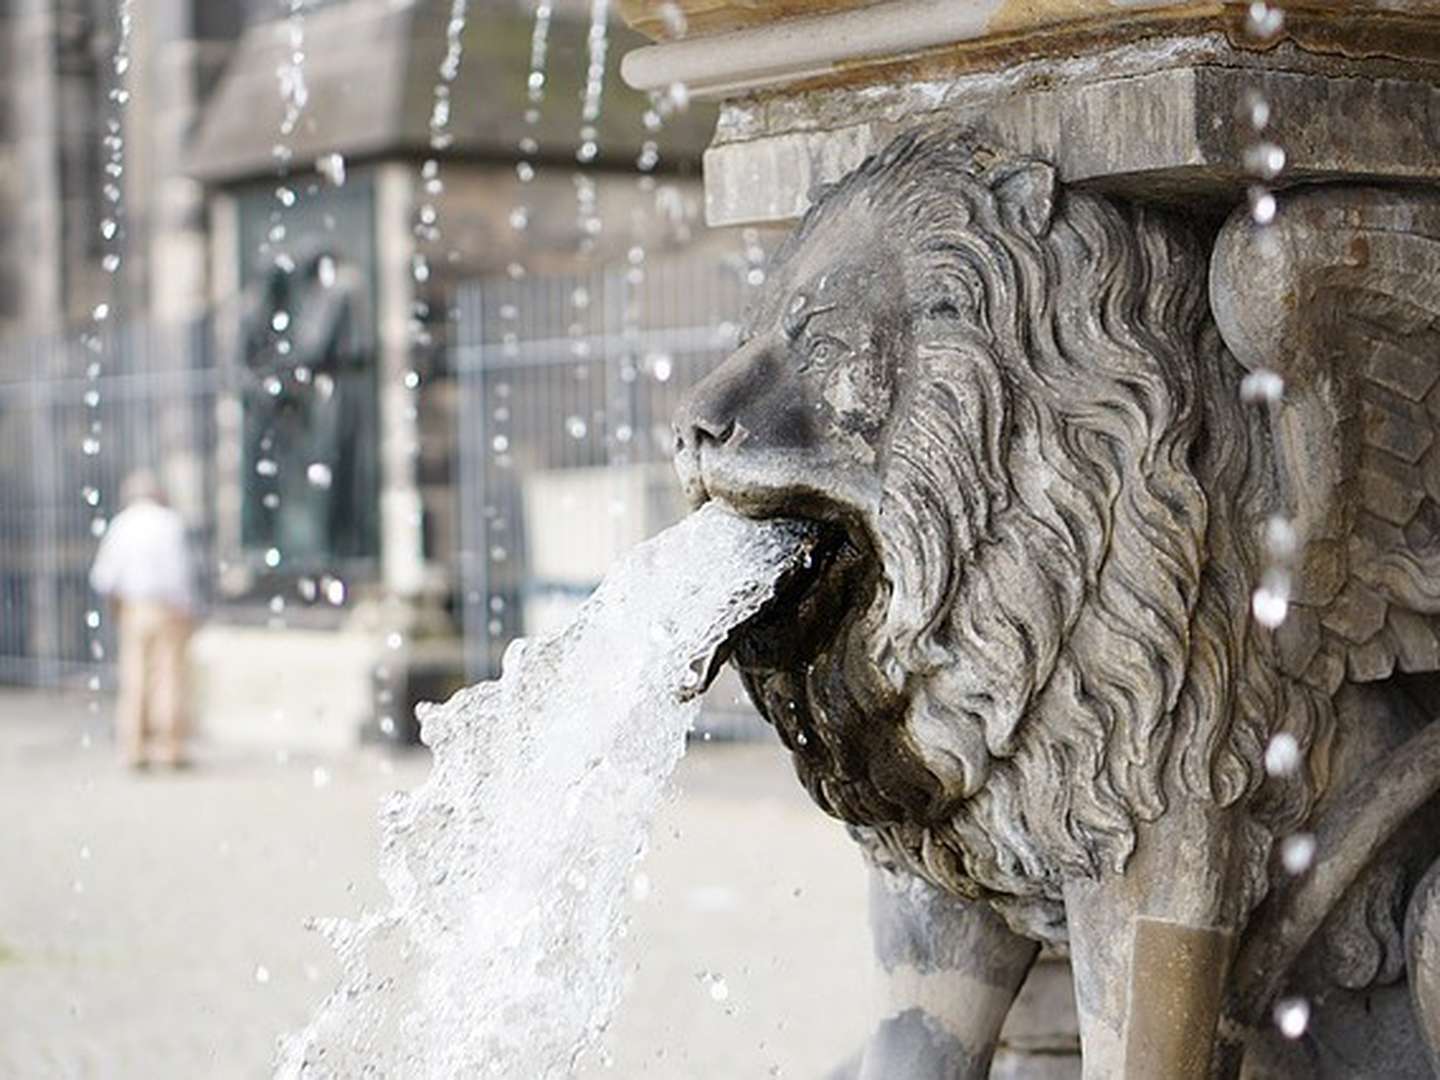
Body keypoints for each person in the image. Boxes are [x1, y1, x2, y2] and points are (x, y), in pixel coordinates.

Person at [89, 469, 196, 768]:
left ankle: (133, 747)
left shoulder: (121, 525)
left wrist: (116, 607)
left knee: (134, 678)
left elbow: (104, 576)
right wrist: (186, 609)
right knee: (168, 678)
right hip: (167, 608)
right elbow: (180, 574)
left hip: (134, 607)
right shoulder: (169, 523)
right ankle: (169, 747)